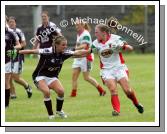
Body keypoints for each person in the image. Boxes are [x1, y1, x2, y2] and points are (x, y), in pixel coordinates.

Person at [19, 36, 88, 119]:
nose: (65, 47)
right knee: (47, 92)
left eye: (66, 45)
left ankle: (59, 111)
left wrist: (90, 51)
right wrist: (17, 52)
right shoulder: (47, 51)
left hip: (52, 77)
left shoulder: (64, 53)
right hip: (39, 76)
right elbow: (32, 51)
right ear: (56, 45)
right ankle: (51, 115)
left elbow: (78, 53)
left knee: (61, 91)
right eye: (63, 45)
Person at [82, 24, 144, 116]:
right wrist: (72, 53)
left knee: (128, 91)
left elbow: (130, 48)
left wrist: (119, 47)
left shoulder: (116, 38)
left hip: (119, 68)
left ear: (104, 33)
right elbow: (88, 52)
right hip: (106, 70)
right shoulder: (95, 43)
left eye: (96, 32)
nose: (95, 34)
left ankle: (136, 103)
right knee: (112, 89)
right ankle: (116, 111)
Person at [70, 20, 106, 97]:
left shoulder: (85, 34)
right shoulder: (79, 34)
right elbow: (80, 45)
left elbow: (84, 45)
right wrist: (76, 50)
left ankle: (101, 90)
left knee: (86, 77)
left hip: (86, 57)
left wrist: (74, 49)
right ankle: (73, 94)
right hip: (78, 57)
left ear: (83, 25)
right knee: (74, 76)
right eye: (76, 25)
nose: (76, 26)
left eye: (78, 25)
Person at [8, 16, 32, 99]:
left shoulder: (18, 31)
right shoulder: (6, 32)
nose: (11, 23)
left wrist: (15, 48)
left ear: (15, 23)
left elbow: (24, 44)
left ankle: (27, 86)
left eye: (12, 22)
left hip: (18, 56)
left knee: (15, 78)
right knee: (8, 77)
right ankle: (13, 94)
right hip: (8, 57)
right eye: (9, 22)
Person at [5, 15, 22, 108]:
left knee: (6, 82)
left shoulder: (11, 32)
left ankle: (6, 104)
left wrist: (12, 49)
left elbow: (19, 45)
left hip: (7, 60)